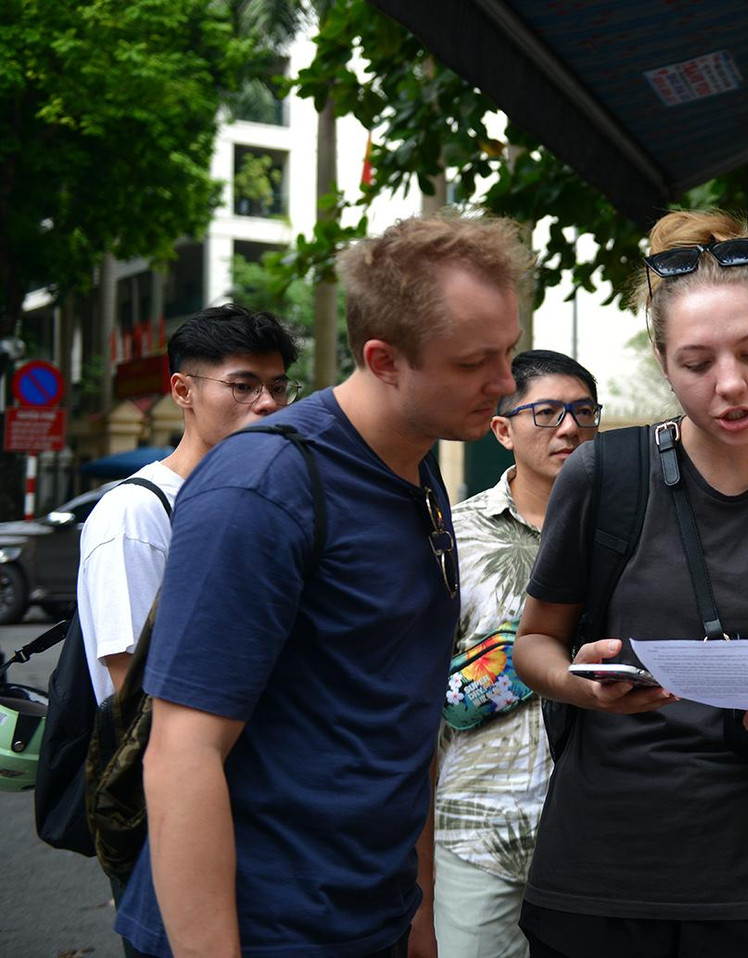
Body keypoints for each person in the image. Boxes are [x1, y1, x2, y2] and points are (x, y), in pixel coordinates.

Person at [113, 212, 531, 958]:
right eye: (475, 362)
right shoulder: (263, 485)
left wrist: (417, 916)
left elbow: (399, 716)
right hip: (261, 931)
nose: (504, 383)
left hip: (374, 916)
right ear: (384, 359)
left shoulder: (418, 468)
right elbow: (181, 755)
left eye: (509, 352)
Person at [512, 210, 748, 958]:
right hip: (597, 877)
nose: (731, 385)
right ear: (663, 361)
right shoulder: (603, 475)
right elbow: (534, 645)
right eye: (696, 363)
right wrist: (580, 684)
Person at [433, 349, 601, 957]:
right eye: (548, 412)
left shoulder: (631, 535)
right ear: (502, 430)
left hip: (603, 835)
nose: (570, 428)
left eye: (584, 412)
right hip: (479, 831)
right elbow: (415, 692)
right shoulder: (454, 538)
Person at [78, 304, 299, 705]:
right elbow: (136, 691)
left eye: (278, 388)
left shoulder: (267, 504)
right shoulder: (136, 515)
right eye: (243, 386)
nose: (268, 403)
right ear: (183, 391)